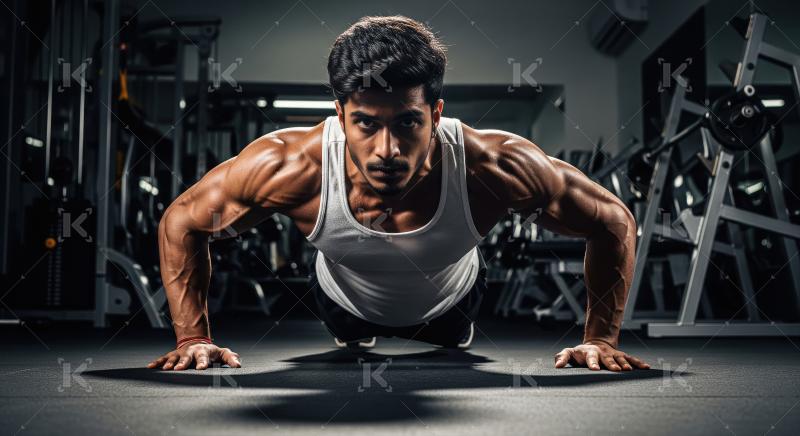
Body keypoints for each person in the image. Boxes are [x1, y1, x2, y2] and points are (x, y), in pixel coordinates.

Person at [147, 15, 650, 373]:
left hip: (454, 305)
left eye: (407, 122)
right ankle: (355, 327)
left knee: (451, 333)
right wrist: (194, 338)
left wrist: (600, 340)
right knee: (348, 330)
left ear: (435, 113)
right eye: (365, 123)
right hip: (339, 300)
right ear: (340, 115)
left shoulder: (492, 163)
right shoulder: (290, 164)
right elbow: (183, 221)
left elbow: (611, 219)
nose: (387, 149)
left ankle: (438, 327)